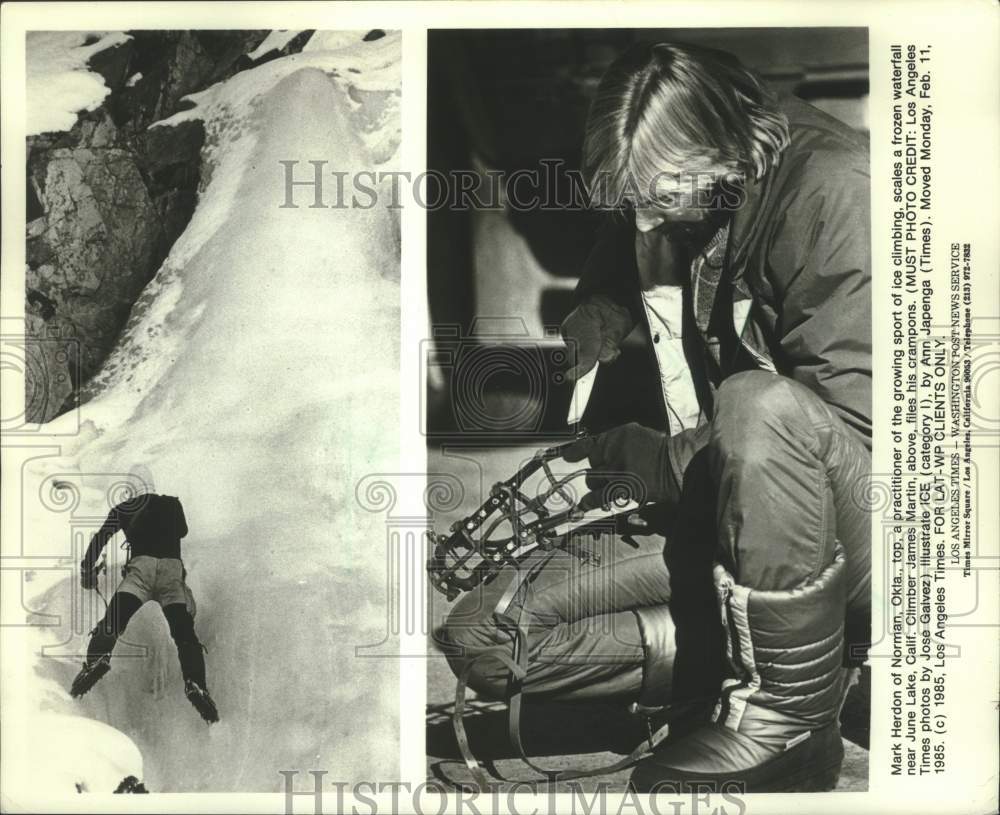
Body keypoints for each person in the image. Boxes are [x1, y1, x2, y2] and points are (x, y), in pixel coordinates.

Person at [439, 41, 870, 792]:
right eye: (630, 199)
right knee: (481, 632)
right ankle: (764, 653)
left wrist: (661, 463)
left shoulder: (837, 191)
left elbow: (845, 433)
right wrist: (601, 301)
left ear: (724, 147)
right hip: (730, 518)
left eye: (659, 194)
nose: (643, 219)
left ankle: (793, 721)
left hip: (861, 525)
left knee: (758, 404)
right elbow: (637, 229)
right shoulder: (695, 189)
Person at [71, 480, 219, 724]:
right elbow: (182, 531)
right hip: (171, 571)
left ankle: (97, 659)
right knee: (184, 633)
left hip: (141, 570)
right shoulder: (173, 504)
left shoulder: (124, 507)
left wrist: (88, 573)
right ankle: (195, 684)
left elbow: (100, 538)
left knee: (114, 620)